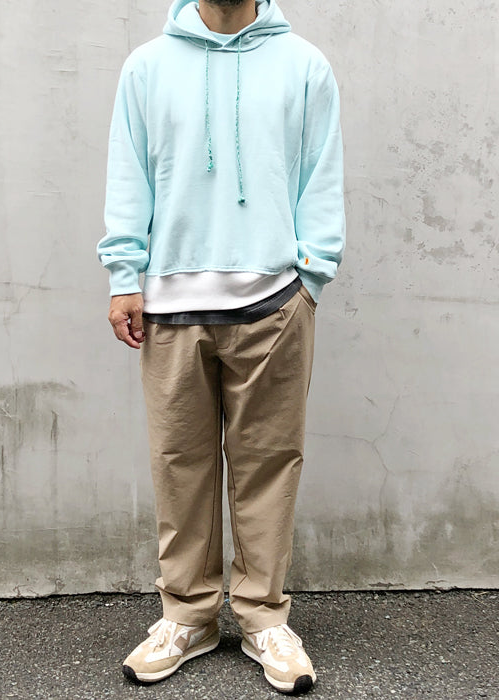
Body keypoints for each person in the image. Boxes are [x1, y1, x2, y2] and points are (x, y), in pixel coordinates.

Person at [96, 0, 345, 693]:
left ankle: (263, 617)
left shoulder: (303, 65)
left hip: (274, 300)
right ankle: (188, 616)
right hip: (170, 305)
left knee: (269, 462)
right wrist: (124, 276)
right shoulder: (147, 66)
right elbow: (128, 173)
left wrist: (311, 276)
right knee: (180, 464)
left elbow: (321, 174)